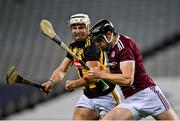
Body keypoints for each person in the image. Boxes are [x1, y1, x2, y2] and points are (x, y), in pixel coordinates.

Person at [87, 19, 179, 120]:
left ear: (109, 34)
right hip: (131, 99)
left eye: (99, 40)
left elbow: (127, 80)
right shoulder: (108, 49)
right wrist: (95, 74)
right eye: (95, 42)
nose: (97, 44)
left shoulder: (124, 45)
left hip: (148, 94)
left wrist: (100, 74)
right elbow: (114, 70)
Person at [42, 14, 120, 120]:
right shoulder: (73, 46)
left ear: (88, 27)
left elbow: (93, 76)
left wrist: (75, 83)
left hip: (106, 95)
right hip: (88, 95)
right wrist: (51, 82)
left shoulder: (92, 45)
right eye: (74, 28)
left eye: (81, 27)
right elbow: (62, 69)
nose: (77, 31)